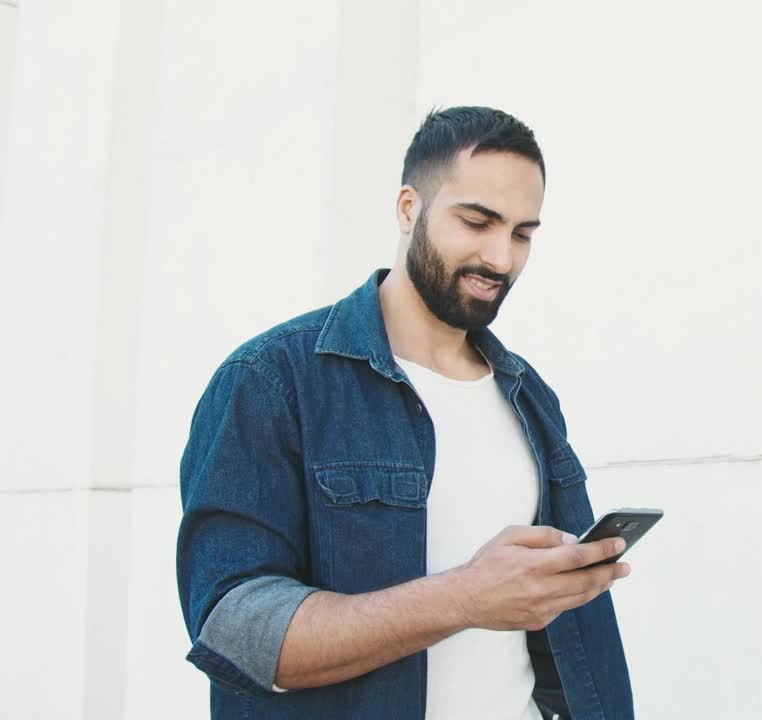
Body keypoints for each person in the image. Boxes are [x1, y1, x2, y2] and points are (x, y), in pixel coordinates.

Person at [177, 106, 633, 719]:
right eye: (477, 222)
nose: (501, 258)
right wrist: (465, 597)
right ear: (408, 208)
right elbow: (237, 635)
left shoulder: (528, 397)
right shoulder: (271, 381)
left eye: (523, 234)